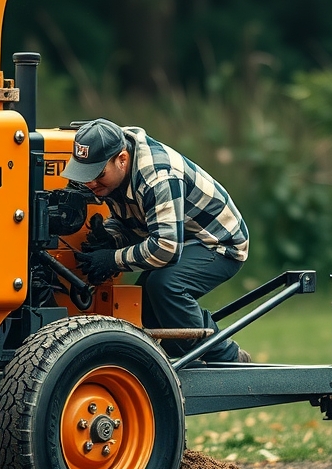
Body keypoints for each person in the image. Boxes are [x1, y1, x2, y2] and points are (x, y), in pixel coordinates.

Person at [63, 118, 252, 363]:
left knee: (166, 286)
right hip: (179, 237)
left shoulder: (158, 176)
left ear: (122, 159)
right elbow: (136, 220)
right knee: (144, 304)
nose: (90, 183)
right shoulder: (116, 171)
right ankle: (180, 361)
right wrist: (109, 238)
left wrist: (112, 259)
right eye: (84, 174)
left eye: (98, 174)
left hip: (218, 242)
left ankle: (228, 357)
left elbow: (166, 248)